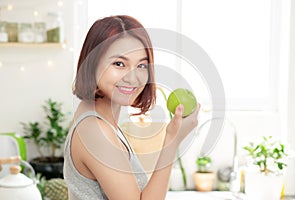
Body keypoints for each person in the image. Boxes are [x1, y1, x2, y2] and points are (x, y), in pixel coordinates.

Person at [63, 15, 200, 200]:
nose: (133, 78)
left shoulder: (97, 117)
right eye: (119, 64)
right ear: (92, 62)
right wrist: (172, 141)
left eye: (141, 65)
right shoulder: (95, 129)